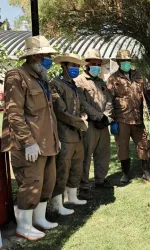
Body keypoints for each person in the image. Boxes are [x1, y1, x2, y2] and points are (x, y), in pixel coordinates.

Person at [1, 36, 59, 240]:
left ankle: (39, 219)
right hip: (29, 143)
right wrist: (28, 142)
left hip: (46, 141)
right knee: (31, 183)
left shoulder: (40, 78)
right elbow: (14, 113)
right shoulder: (16, 76)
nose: (49, 59)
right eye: (46, 56)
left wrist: (55, 137)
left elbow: (48, 113)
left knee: (47, 182)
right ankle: (23, 226)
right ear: (35, 55)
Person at [49, 53, 89, 215]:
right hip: (64, 135)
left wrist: (84, 114)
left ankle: (72, 197)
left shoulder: (74, 85)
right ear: (64, 66)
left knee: (76, 166)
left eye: (78, 66)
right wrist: (81, 122)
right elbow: (61, 111)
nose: (76, 69)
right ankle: (57, 204)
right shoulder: (55, 85)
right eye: (73, 66)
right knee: (62, 168)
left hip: (77, 135)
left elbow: (79, 106)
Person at [107, 50, 150, 184]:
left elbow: (145, 94)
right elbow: (109, 99)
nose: (125, 64)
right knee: (123, 147)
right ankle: (125, 174)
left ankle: (146, 173)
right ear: (119, 62)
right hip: (122, 119)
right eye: (123, 61)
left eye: (127, 61)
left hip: (137, 118)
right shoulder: (113, 79)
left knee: (144, 144)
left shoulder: (138, 76)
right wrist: (112, 120)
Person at [75, 49, 113, 200]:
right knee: (86, 155)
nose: (96, 66)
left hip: (103, 124)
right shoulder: (79, 81)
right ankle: (83, 186)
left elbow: (109, 100)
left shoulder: (100, 81)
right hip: (89, 124)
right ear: (87, 65)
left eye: (98, 64)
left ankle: (100, 179)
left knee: (103, 153)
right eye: (93, 64)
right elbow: (82, 103)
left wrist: (106, 118)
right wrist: (98, 117)